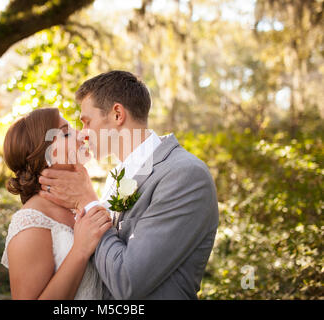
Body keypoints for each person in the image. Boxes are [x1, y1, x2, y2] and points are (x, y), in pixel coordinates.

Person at [38, 70, 220, 299]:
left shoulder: (185, 175)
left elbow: (128, 282)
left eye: (87, 122)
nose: (83, 134)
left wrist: (87, 202)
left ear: (117, 115)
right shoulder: (117, 176)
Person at [0, 107, 112, 299]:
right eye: (67, 133)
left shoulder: (79, 203)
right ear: (44, 155)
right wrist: (80, 250)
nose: (81, 135)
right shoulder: (30, 222)